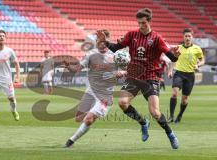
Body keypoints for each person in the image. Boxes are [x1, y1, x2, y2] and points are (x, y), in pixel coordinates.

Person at [97, 8, 180, 149]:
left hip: (151, 77)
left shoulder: (157, 38)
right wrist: (105, 42)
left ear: (149, 22)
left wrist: (176, 55)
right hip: (134, 75)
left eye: (143, 23)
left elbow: (171, 57)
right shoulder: (132, 34)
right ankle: (143, 123)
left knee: (155, 112)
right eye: (139, 23)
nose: (141, 25)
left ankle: (170, 133)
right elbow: (117, 47)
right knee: (122, 103)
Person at [63, 35, 125, 148]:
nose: (100, 43)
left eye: (102, 41)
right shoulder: (91, 54)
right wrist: (69, 67)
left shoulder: (115, 55)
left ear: (107, 42)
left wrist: (122, 73)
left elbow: (128, 69)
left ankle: (70, 142)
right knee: (78, 118)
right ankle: (94, 114)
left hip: (105, 95)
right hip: (91, 91)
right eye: (98, 41)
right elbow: (77, 69)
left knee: (89, 119)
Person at [168, 28, 205, 123]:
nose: (188, 38)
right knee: (174, 93)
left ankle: (179, 116)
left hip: (190, 75)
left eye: (189, 36)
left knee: (184, 100)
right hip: (179, 73)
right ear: (183, 37)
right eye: (186, 36)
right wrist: (170, 70)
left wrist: (198, 65)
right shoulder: (178, 48)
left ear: (192, 37)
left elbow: (202, 60)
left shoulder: (197, 49)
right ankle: (171, 116)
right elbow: (173, 60)